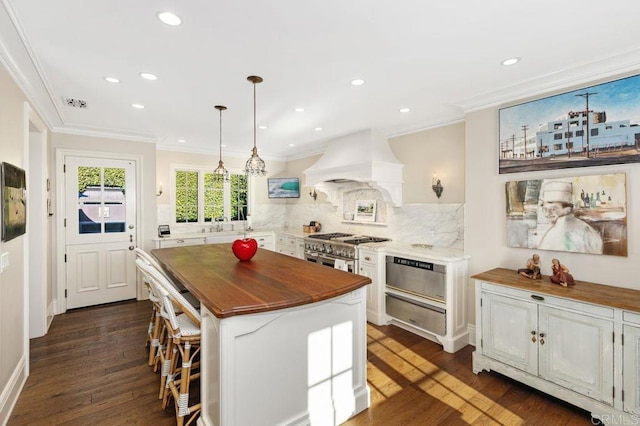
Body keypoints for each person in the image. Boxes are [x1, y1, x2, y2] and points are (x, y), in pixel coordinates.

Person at [537, 181, 603, 254]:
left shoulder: (557, 232)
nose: (548, 213)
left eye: (553, 209)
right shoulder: (586, 227)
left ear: (567, 209)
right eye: (545, 209)